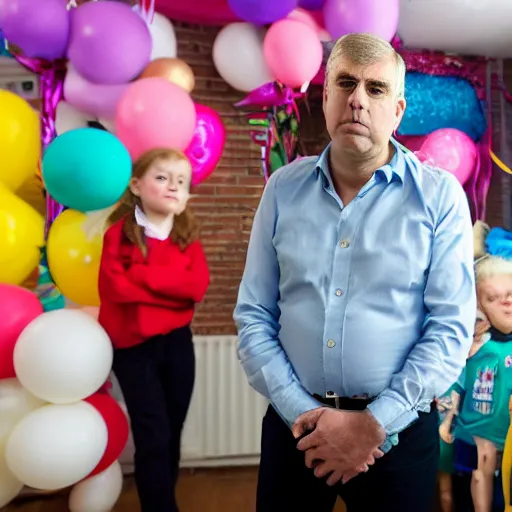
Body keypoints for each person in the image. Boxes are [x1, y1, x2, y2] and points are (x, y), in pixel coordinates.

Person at [234, 33, 476, 512]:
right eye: (345, 83)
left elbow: (449, 329)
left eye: (376, 88)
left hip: (398, 436)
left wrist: (372, 425)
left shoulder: (440, 196)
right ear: (324, 98)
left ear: (398, 110)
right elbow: (254, 315)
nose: (358, 100)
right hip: (294, 432)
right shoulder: (282, 189)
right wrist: (305, 416)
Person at [97, 148, 210, 512]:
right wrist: (171, 290)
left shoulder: (186, 234)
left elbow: (195, 288)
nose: (172, 187)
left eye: (181, 181)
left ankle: (162, 501)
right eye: (162, 178)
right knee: (153, 435)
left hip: (177, 345)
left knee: (171, 431)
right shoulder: (119, 234)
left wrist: (143, 278)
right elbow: (115, 288)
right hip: (134, 347)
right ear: (137, 185)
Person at [443, 221, 512, 512]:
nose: (506, 304)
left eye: (511, 295)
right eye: (493, 299)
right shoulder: (469, 348)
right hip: (470, 444)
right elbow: (454, 388)